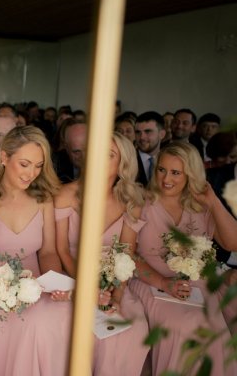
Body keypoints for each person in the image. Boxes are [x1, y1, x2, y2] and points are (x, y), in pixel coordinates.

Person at [130, 142, 237, 376]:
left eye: (176, 172)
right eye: (161, 169)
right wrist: (163, 283)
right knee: (188, 325)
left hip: (198, 285)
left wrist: (214, 202)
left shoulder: (201, 206)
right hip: (151, 282)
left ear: (190, 175)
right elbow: (128, 253)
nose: (166, 178)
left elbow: (232, 243)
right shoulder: (141, 202)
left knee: (214, 321)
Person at [0, 126, 73, 375]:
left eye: (38, 166)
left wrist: (54, 283)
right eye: (25, 164)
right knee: (23, 322)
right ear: (5, 158)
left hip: (36, 283)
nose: (32, 173)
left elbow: (49, 252)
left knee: (60, 314)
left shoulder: (44, 197)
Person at [54, 132, 150, 375]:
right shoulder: (66, 194)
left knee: (132, 330)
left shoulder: (131, 201)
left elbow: (126, 255)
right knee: (75, 330)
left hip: (115, 283)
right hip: (73, 278)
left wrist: (116, 297)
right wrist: (88, 289)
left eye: (109, 155)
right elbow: (62, 251)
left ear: (122, 164)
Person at [134, 111, 167, 187]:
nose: (142, 137)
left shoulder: (171, 160)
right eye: (138, 132)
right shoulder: (128, 160)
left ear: (162, 134)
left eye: (148, 131)